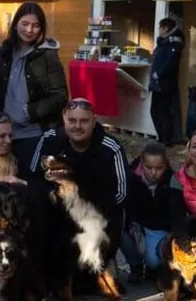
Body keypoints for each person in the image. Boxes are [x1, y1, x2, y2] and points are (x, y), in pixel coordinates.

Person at [28, 99, 129, 234]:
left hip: (97, 220)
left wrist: (91, 209)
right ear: (64, 119)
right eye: (72, 120)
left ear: (94, 121)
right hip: (55, 217)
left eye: (84, 121)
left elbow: (122, 193)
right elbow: (34, 178)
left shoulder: (110, 148)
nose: (77, 126)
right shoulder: (49, 139)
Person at [0, 1, 67, 171]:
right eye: (24, 24)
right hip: (2, 134)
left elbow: (60, 96)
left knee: (28, 179)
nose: (29, 30)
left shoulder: (47, 56)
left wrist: (31, 111)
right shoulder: (2, 53)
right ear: (15, 24)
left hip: (32, 134)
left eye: (35, 25)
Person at [121, 144, 176, 279]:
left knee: (153, 261)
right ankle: (135, 265)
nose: (153, 172)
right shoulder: (130, 178)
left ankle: (155, 266)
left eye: (159, 168)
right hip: (135, 225)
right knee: (118, 233)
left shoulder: (172, 180)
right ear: (142, 163)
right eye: (149, 167)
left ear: (165, 165)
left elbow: (175, 212)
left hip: (158, 228)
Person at [149, 17, 186, 147]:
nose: (159, 30)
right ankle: (161, 137)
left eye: (160, 28)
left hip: (165, 84)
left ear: (165, 29)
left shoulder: (173, 43)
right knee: (155, 111)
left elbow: (170, 63)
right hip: (157, 84)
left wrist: (159, 74)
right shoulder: (163, 43)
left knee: (164, 112)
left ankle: (166, 139)